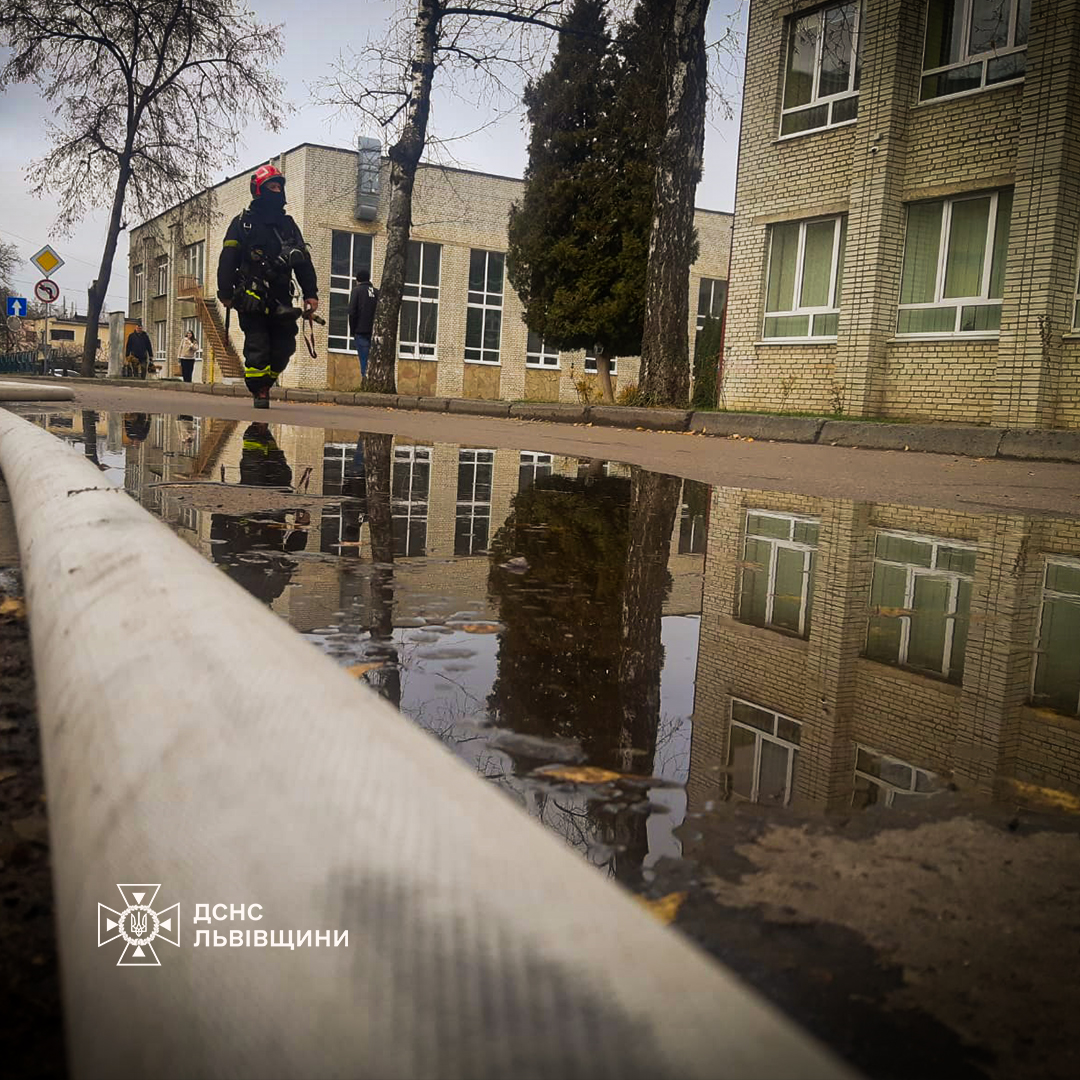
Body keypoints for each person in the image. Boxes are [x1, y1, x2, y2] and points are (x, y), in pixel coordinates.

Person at [216, 164, 318, 409]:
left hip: (282, 298)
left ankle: (265, 384)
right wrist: (225, 293)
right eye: (271, 186)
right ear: (259, 191)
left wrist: (311, 294)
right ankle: (258, 391)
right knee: (257, 347)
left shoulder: (289, 225)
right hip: (251, 297)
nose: (276, 190)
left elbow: (303, 261)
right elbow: (227, 258)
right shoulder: (243, 223)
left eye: (279, 186)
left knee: (285, 347)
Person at [348, 268, 379, 384]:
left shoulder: (357, 291)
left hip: (361, 331)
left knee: (364, 360)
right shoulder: (377, 292)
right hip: (375, 333)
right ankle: (375, 382)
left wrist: (353, 330)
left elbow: (352, 312)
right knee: (375, 361)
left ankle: (366, 382)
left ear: (357, 280)